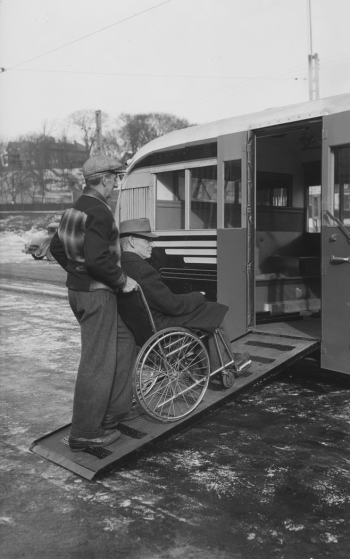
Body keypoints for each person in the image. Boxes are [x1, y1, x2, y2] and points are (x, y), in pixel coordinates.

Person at [50, 155, 138, 452]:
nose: (115, 183)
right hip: (98, 294)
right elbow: (98, 259)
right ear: (103, 179)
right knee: (97, 361)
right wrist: (122, 280)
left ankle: (112, 412)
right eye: (114, 177)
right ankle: (85, 432)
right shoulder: (100, 211)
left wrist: (78, 272)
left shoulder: (73, 209)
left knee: (125, 340)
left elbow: (56, 248)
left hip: (80, 291)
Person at [117, 218, 250, 374]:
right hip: (159, 328)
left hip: (140, 329)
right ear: (132, 241)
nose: (151, 245)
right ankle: (225, 364)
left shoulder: (118, 268)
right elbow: (174, 306)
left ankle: (217, 359)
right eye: (147, 240)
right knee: (213, 310)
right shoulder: (142, 270)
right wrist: (197, 296)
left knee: (206, 312)